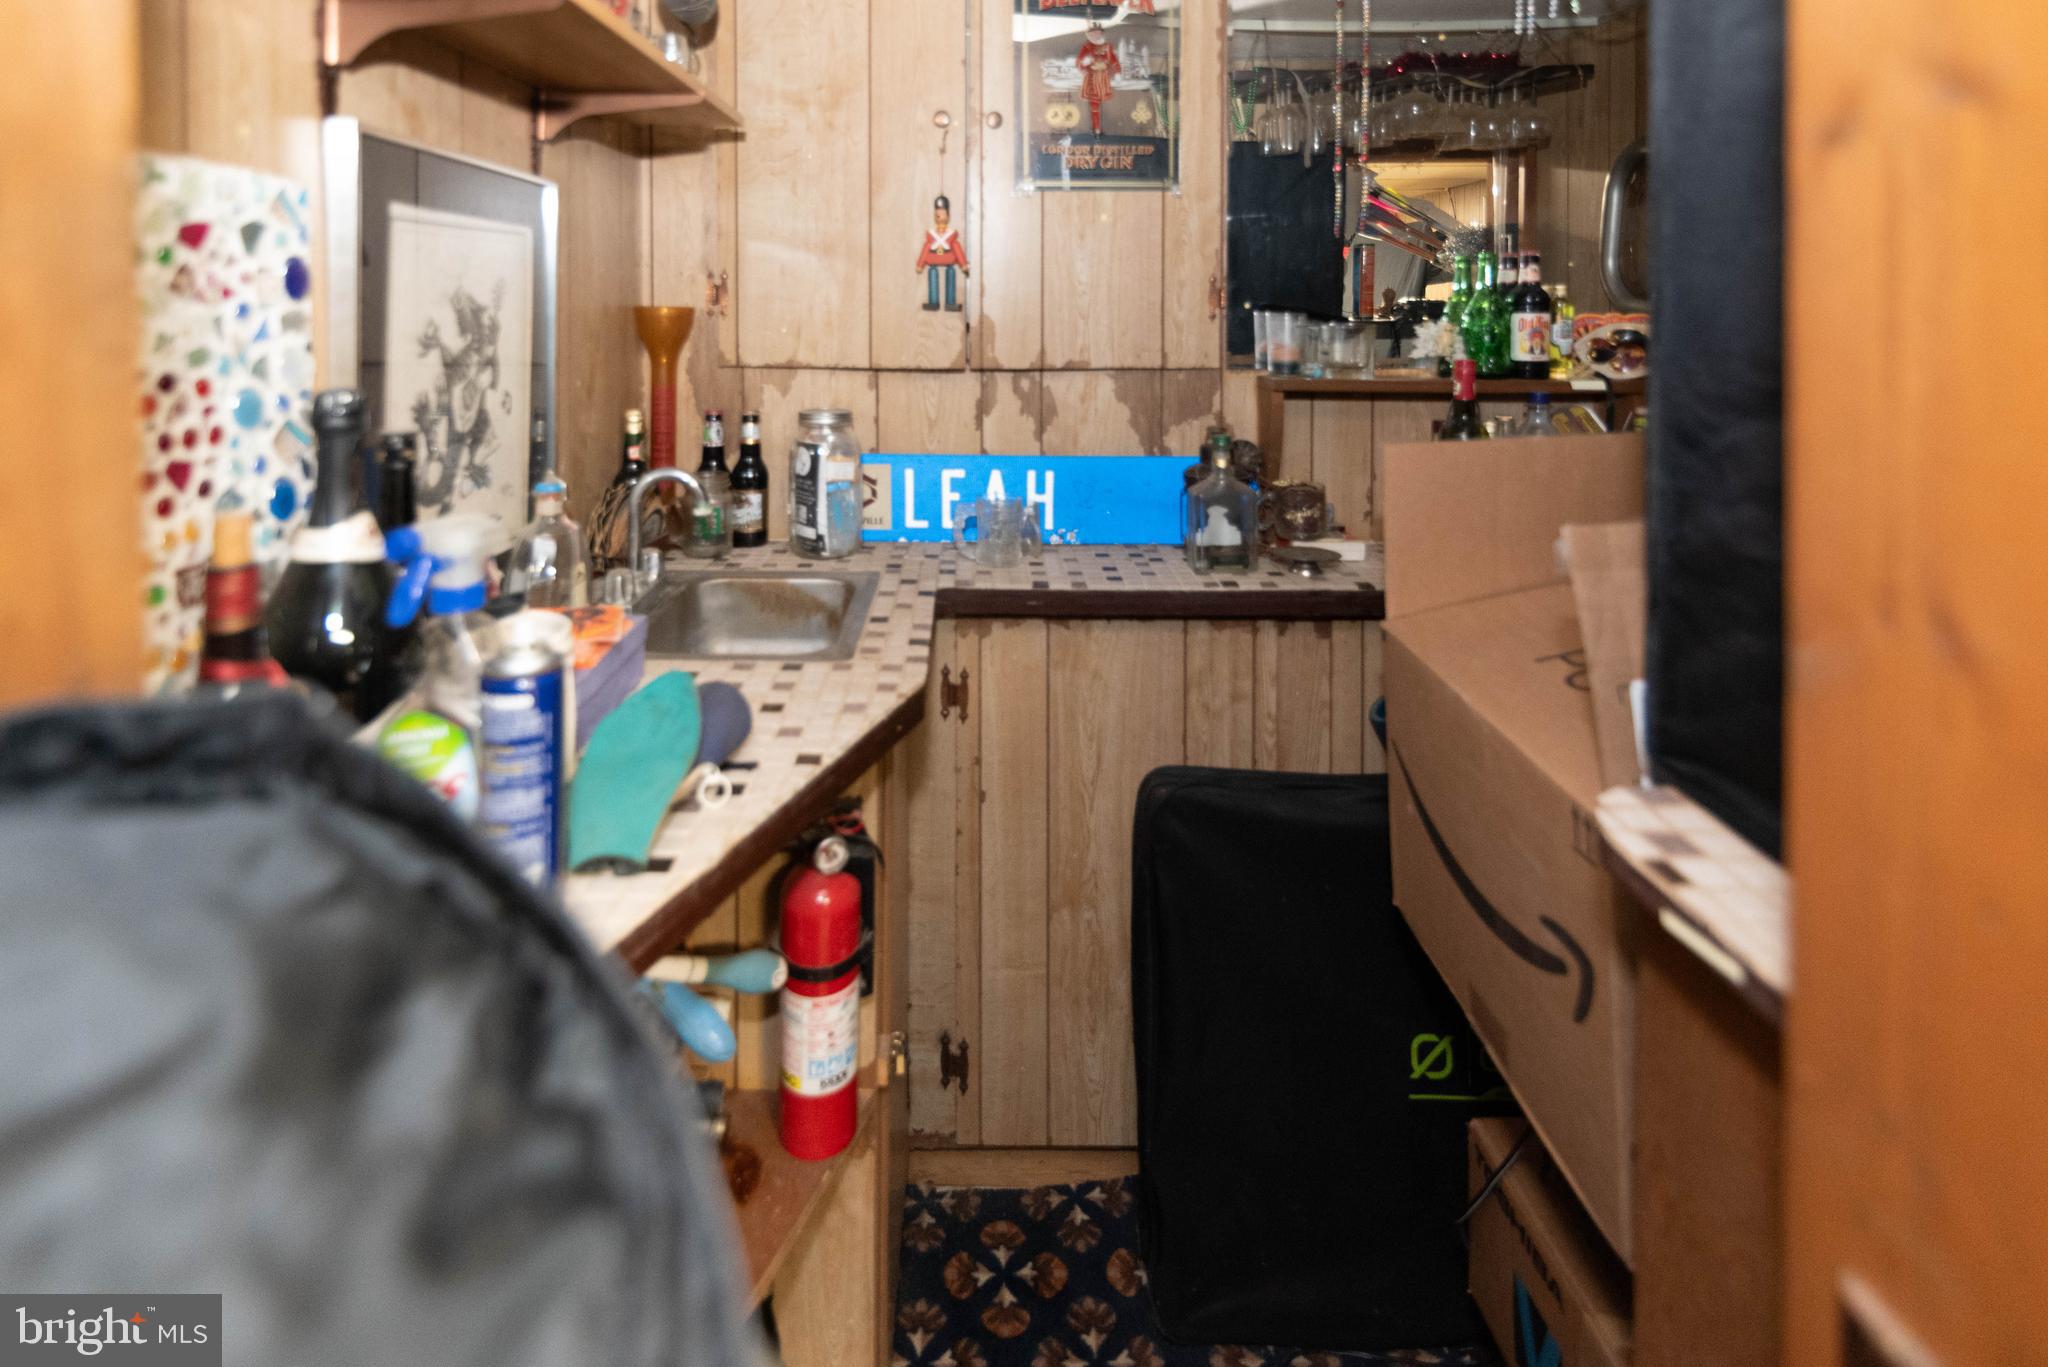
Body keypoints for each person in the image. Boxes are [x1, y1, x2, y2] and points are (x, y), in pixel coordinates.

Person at [916, 195, 970, 313]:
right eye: (937, 213)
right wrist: (920, 265)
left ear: (948, 216)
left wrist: (964, 265)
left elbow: (957, 249)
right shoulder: (931, 235)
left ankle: (950, 303)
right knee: (932, 272)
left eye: (942, 213)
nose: (939, 215)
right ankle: (933, 302)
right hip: (933, 259)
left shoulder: (951, 235)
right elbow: (926, 249)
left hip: (948, 259)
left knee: (951, 272)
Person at [1077, 23, 1121, 135]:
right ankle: (1096, 128)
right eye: (1092, 34)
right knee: (1094, 103)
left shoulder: (1108, 46)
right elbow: (1079, 61)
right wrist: (1084, 64)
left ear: (1101, 33)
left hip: (1103, 78)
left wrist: (1118, 71)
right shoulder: (1087, 47)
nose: (1095, 36)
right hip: (1092, 77)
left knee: (1101, 102)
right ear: (1089, 35)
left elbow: (1114, 60)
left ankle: (1100, 127)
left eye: (1097, 33)